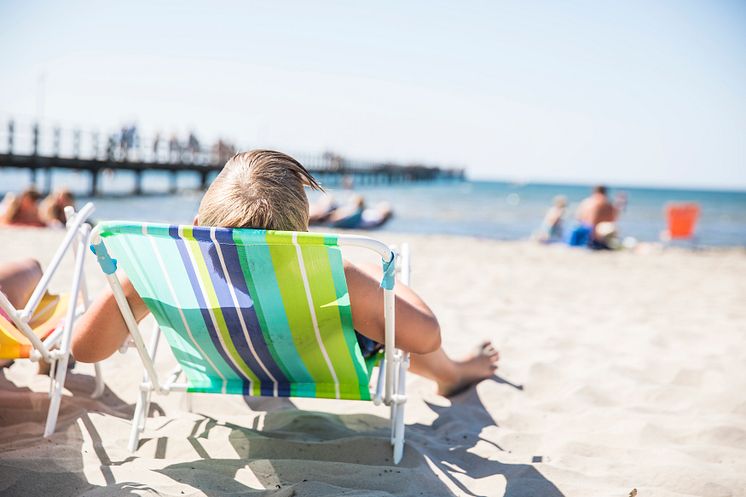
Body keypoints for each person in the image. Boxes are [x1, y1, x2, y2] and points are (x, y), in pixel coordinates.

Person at [72, 150, 499, 397]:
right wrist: (376, 274)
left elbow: (85, 350)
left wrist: (130, 289)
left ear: (199, 218)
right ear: (304, 229)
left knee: (370, 314)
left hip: (225, 366)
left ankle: (454, 372)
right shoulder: (338, 278)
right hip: (313, 368)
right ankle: (453, 374)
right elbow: (426, 336)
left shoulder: (160, 271)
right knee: (379, 317)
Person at [574, 185, 621, 249]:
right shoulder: (608, 203)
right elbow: (613, 219)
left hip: (589, 230)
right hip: (600, 231)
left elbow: (578, 217)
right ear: (605, 191)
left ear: (594, 191)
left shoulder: (588, 201)